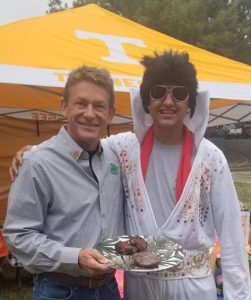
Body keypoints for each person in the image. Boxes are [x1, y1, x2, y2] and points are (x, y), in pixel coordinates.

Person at [8, 51, 251, 300]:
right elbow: (79, 143)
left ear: (190, 101)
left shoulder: (210, 159)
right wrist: (33, 152)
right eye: (157, 92)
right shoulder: (124, 148)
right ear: (146, 100)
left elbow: (232, 239)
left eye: (179, 93)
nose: (168, 101)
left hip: (192, 288)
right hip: (139, 287)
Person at [3, 66, 125, 300]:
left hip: (109, 288)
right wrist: (75, 256)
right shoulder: (37, 163)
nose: (89, 114)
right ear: (64, 107)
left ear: (111, 113)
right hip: (60, 290)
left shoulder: (116, 159)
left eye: (99, 106)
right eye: (81, 104)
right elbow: (18, 235)